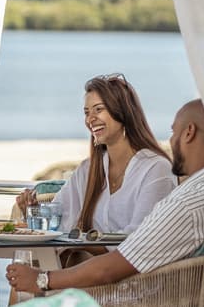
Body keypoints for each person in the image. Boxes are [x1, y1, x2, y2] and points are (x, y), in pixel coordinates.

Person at [6, 99, 204, 293]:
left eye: (173, 132)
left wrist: (42, 279)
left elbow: (111, 269)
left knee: (42, 300)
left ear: (189, 132)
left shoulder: (186, 206)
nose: (171, 140)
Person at [16, 73, 175, 234]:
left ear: (123, 112)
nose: (90, 119)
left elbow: (141, 235)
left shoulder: (156, 168)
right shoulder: (87, 169)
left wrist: (90, 244)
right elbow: (59, 222)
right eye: (87, 112)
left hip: (128, 252)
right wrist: (33, 211)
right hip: (88, 251)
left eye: (98, 109)